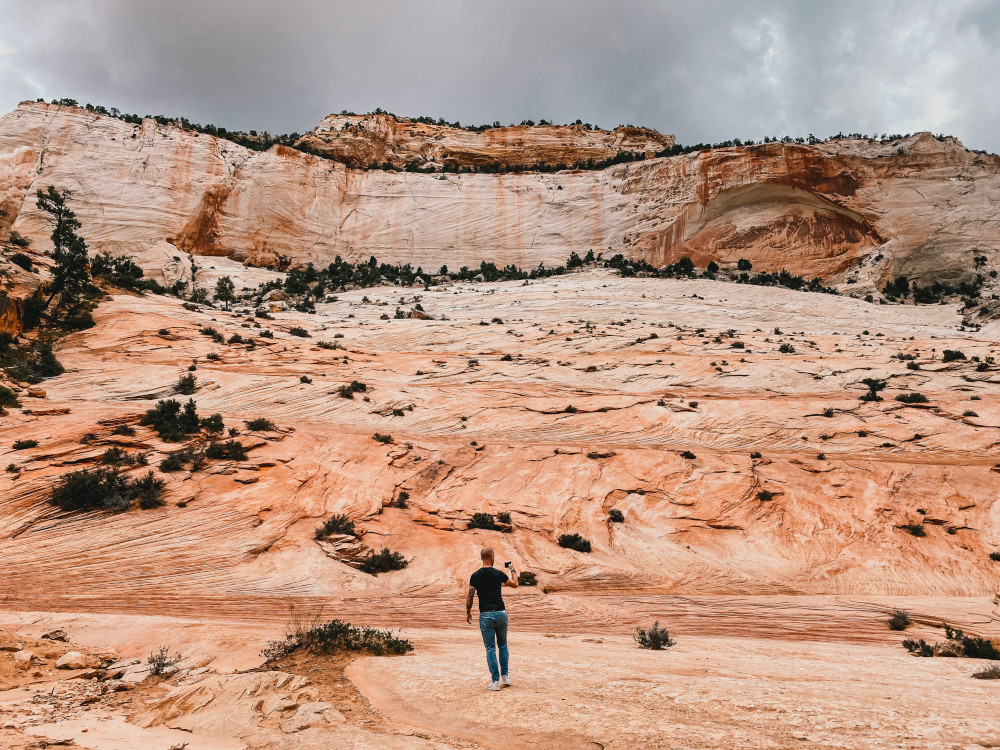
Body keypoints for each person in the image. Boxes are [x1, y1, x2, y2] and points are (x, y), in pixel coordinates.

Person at [466, 546, 518, 691]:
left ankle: (495, 682)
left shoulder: (475, 576)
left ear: (482, 558)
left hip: (486, 614)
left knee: (490, 649)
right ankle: (506, 677)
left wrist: (468, 611)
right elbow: (515, 584)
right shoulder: (498, 574)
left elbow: (470, 595)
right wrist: (513, 570)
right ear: (492, 557)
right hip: (501, 613)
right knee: (502, 644)